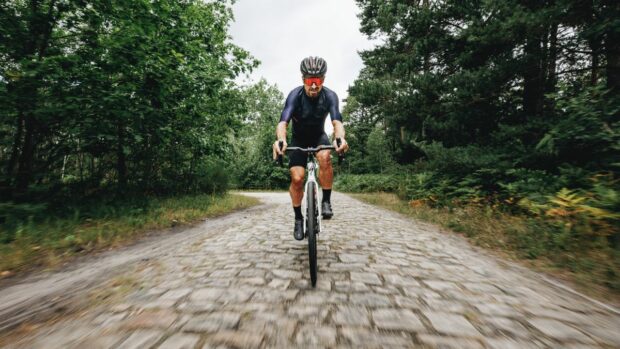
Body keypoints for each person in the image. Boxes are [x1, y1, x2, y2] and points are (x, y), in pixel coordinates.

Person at [272, 56, 349, 241]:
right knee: (297, 178)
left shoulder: (329, 96)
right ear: (303, 79)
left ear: (323, 79)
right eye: (309, 81)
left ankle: (326, 201)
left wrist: (340, 138)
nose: (314, 85)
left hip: (318, 137)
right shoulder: (295, 96)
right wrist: (281, 140)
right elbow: (283, 122)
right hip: (298, 139)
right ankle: (298, 219)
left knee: (324, 157)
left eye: (318, 80)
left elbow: (337, 122)